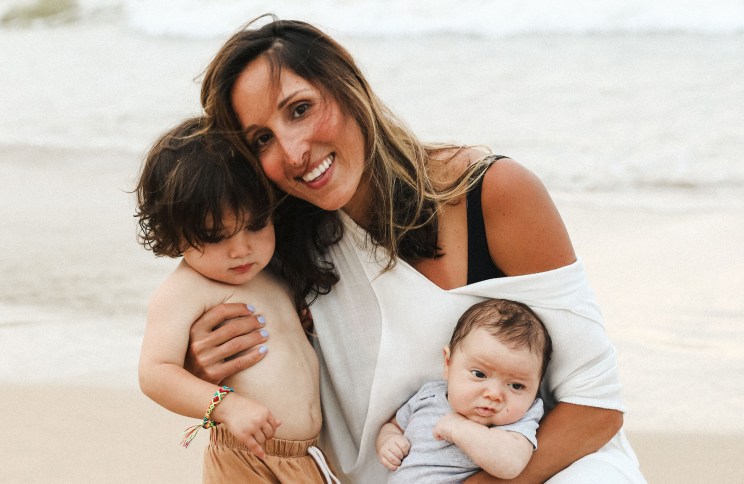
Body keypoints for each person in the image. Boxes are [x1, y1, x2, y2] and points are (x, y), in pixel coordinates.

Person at [186, 16, 646, 483]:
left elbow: (596, 407)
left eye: (300, 109)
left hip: (547, 470)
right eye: (262, 139)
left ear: (350, 87)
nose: (293, 150)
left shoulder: (489, 194)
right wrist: (205, 368)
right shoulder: (272, 249)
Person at [135, 117, 339, 484]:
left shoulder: (271, 273)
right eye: (215, 236)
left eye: (256, 225)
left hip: (306, 458)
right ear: (173, 233)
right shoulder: (186, 288)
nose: (241, 249)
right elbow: (155, 373)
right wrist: (225, 406)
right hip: (247, 457)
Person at [376, 298, 550, 482]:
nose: (493, 394)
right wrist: (388, 441)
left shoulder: (519, 420)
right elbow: (394, 425)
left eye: (516, 386)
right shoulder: (429, 395)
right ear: (448, 363)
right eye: (479, 374)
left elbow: (511, 465)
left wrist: (460, 429)